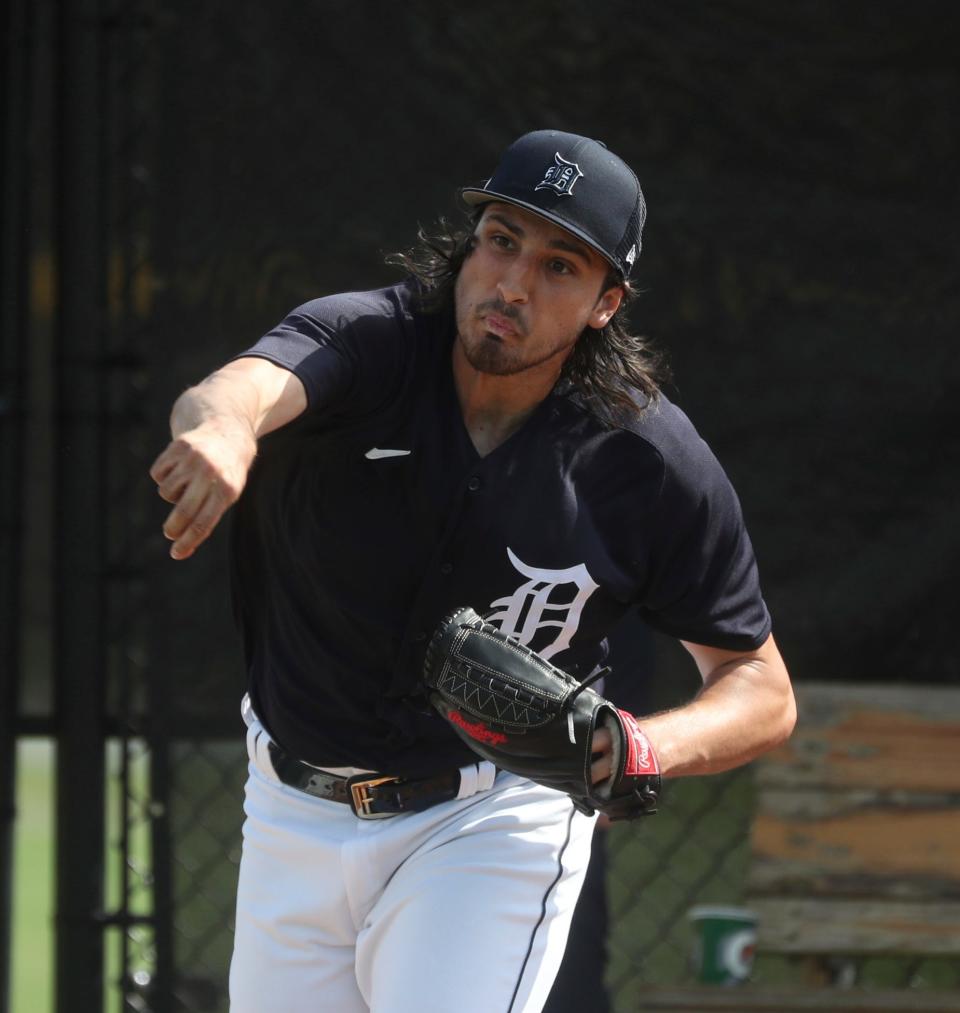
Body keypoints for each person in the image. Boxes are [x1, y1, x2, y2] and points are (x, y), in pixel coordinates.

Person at [150, 129, 795, 1013]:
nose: (513, 283)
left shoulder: (645, 459)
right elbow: (244, 384)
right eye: (502, 240)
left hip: (491, 818)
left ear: (607, 302)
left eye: (561, 266)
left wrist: (646, 745)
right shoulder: (369, 343)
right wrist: (222, 429)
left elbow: (761, 685)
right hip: (290, 807)